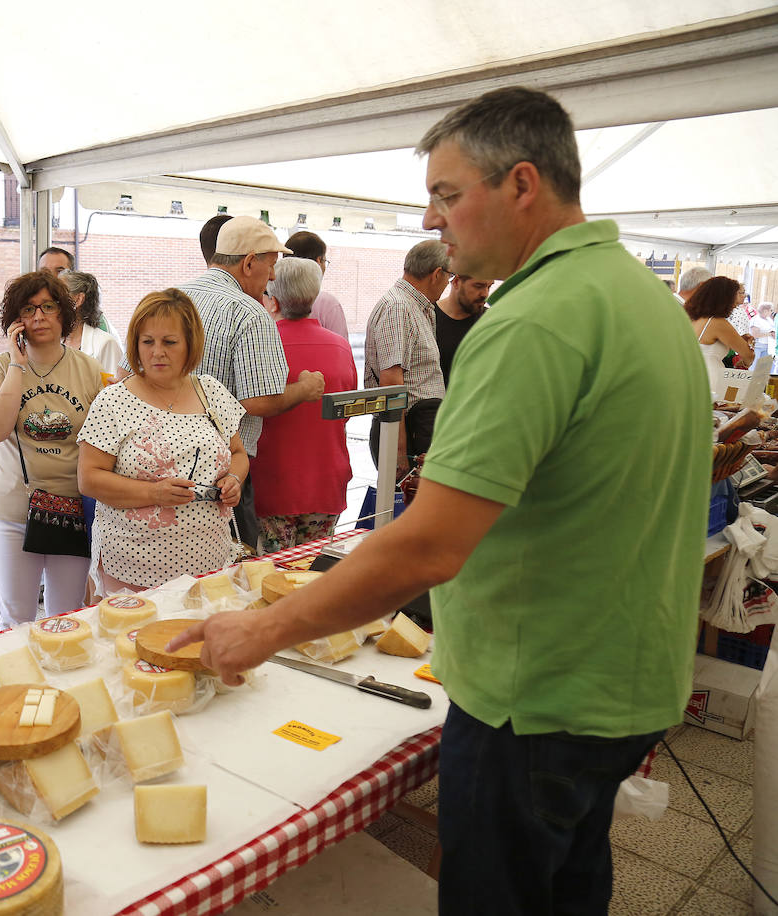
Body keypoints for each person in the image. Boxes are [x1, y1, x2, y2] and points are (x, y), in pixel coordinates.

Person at [173, 86, 711, 915]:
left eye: (448, 195)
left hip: (535, 701)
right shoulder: (642, 297)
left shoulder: (533, 320)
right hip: (623, 680)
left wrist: (263, 628)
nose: (432, 219)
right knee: (570, 883)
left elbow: (429, 545)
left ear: (523, 184)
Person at [78, 289, 248, 590]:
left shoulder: (211, 390)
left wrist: (234, 478)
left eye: (169, 342)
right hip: (134, 567)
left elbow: (237, 453)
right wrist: (154, 493)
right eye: (148, 342)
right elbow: (89, 480)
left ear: (190, 344)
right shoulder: (113, 401)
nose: (157, 352)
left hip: (209, 562)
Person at [180, 215, 326, 554]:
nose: (273, 276)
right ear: (249, 263)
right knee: (226, 572)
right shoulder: (250, 313)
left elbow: (127, 374)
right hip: (223, 474)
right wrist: (304, 389)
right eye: (271, 265)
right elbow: (258, 401)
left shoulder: (173, 296)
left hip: (163, 464)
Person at [0, 271, 103, 628]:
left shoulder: (88, 369)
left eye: (48, 306)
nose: (39, 317)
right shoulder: (1, 367)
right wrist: (18, 366)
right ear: (15, 319)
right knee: (16, 618)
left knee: (67, 617)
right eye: (28, 309)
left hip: (72, 510)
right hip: (12, 510)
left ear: (63, 312)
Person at [251, 259, 356, 553]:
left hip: (273, 481)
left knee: (274, 578)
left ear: (272, 300)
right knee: (313, 573)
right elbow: (345, 412)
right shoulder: (339, 347)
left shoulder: (263, 346)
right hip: (325, 479)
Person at [363, 239, 451, 471]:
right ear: (437, 274)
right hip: (407, 433)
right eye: (449, 277)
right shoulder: (398, 308)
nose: (447, 285)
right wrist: (398, 450)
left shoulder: (415, 306)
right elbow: (391, 382)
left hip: (417, 428)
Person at [688, 276, 754, 398]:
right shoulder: (718, 323)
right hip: (711, 380)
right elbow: (748, 356)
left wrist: (738, 340)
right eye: (733, 298)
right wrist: (747, 348)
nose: (735, 305)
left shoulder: (694, 318)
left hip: (691, 378)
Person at [283, 230, 348, 338]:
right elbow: (342, 349)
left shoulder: (271, 301)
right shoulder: (327, 304)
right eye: (325, 261)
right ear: (318, 262)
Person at [61, 271, 123, 376]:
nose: (51, 300)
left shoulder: (106, 344)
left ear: (78, 299)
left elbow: (113, 388)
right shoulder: (52, 341)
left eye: (58, 294)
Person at [434, 274, 493, 384]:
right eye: (478, 286)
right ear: (456, 282)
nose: (485, 294)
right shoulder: (428, 317)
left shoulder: (490, 321)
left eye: (489, 287)